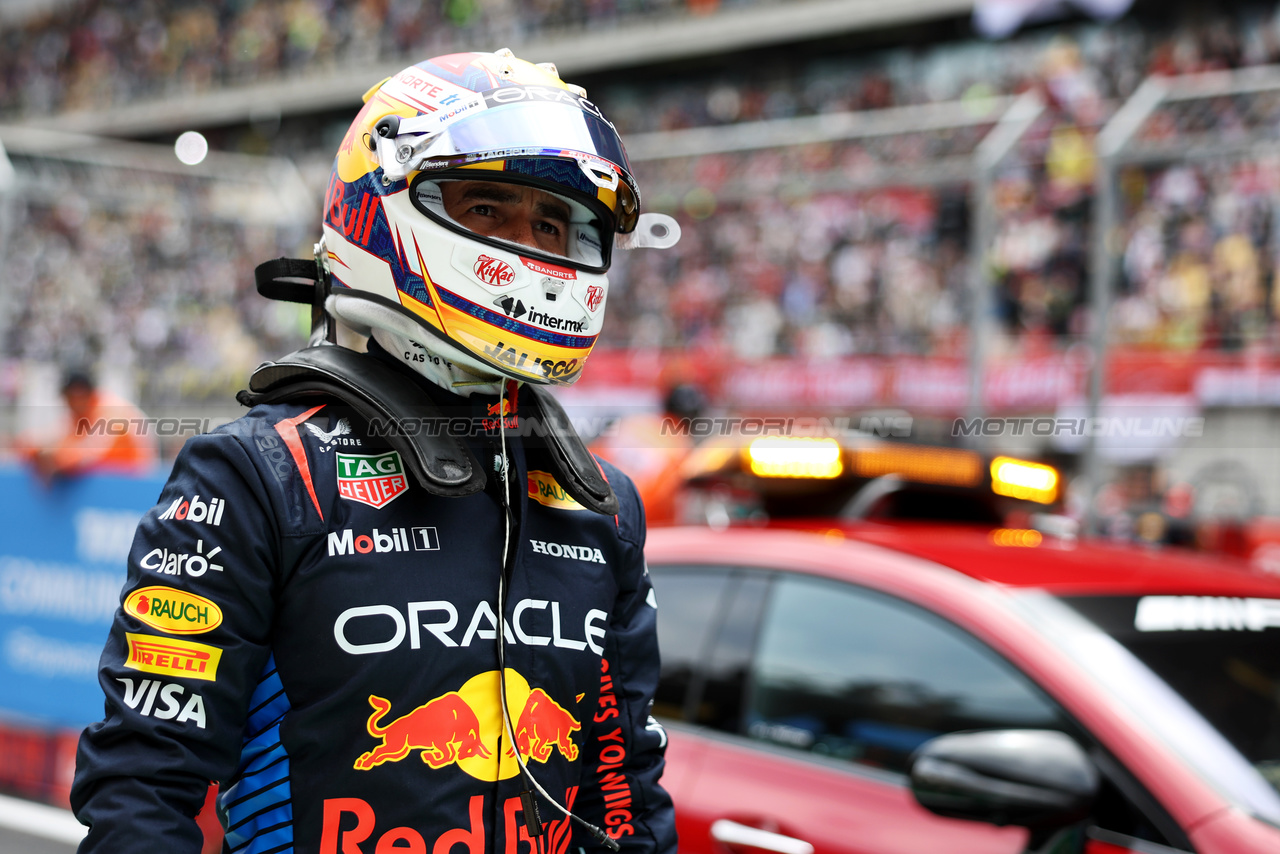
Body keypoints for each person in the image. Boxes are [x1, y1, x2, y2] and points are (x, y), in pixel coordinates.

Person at [71, 50, 680, 854]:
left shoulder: (602, 502)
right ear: (381, 206)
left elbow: (628, 799)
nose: (529, 245)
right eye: (489, 208)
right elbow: (141, 790)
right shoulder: (256, 477)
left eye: (553, 223)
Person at [16, 368, 158, 480]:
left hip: (134, 484)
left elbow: (85, 455)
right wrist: (39, 451)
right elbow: (44, 442)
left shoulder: (112, 411)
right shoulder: (76, 415)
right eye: (67, 398)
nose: (70, 403)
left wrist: (50, 455)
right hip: (106, 484)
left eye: (73, 397)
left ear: (83, 394)